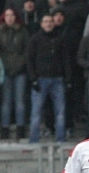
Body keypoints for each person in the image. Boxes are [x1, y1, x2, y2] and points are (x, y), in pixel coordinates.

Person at [26, 13, 70, 142]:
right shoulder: (35, 39)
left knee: (60, 111)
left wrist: (68, 79)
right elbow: (29, 60)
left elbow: (66, 60)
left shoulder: (60, 39)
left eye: (51, 21)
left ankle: (61, 139)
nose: (48, 24)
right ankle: (34, 140)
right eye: (46, 21)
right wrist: (33, 79)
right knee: (36, 112)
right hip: (40, 79)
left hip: (58, 79)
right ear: (41, 24)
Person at [0, 8, 29, 140]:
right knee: (6, 101)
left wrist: (21, 64)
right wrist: (2, 66)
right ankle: (5, 128)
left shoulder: (22, 31)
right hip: (5, 70)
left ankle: (21, 128)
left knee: (20, 101)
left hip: (20, 70)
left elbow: (27, 49)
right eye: (7, 15)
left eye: (12, 15)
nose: (9, 18)